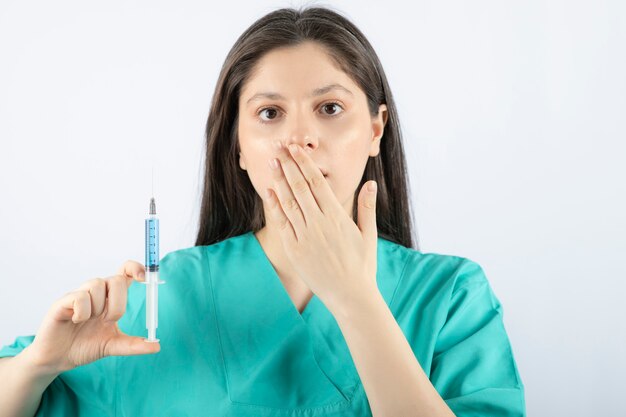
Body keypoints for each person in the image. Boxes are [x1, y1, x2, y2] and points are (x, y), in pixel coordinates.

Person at [0, 6, 525, 417]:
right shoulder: (159, 301)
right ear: (238, 148)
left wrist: (354, 299)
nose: (299, 138)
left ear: (375, 129)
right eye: (269, 113)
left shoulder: (452, 297)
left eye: (330, 108)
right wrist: (38, 366)